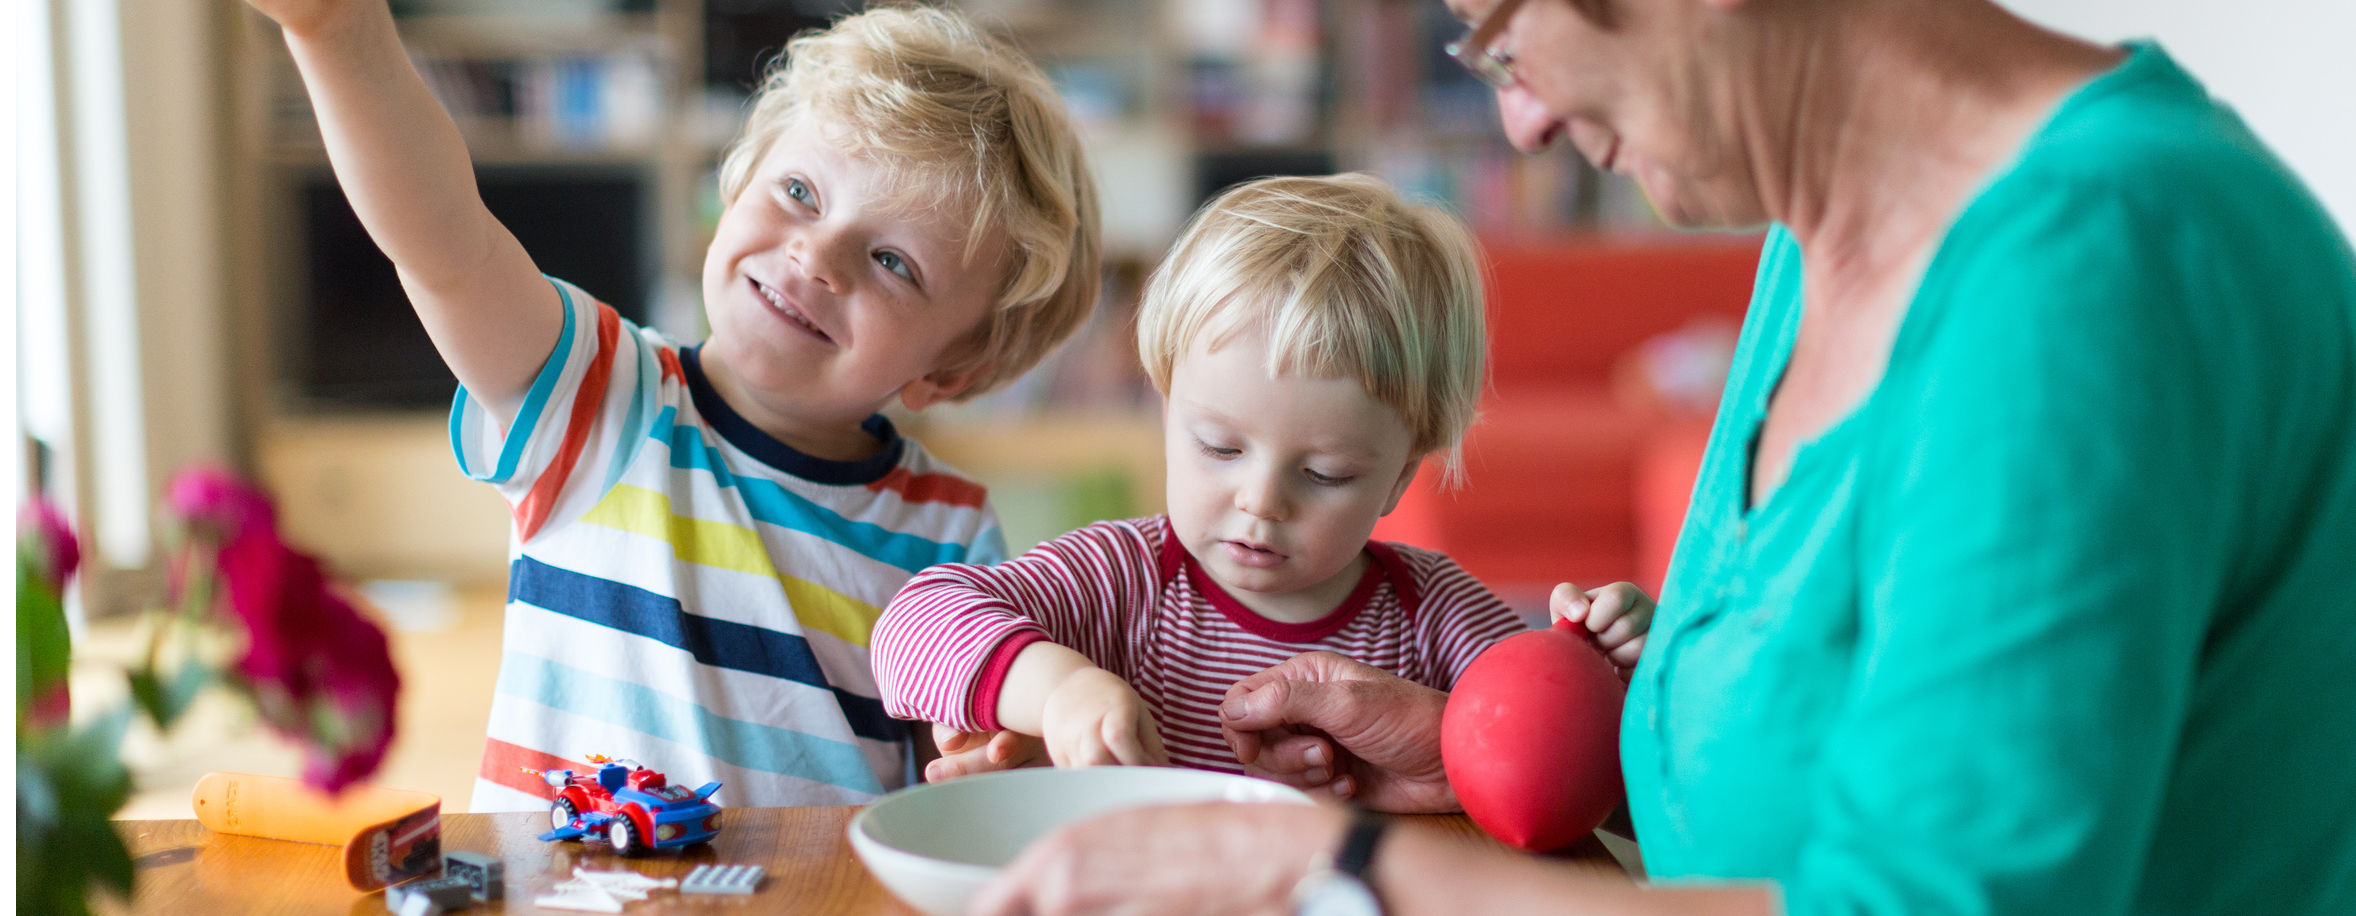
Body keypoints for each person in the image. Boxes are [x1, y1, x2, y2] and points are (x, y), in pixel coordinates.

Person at [969, 0, 2356, 914]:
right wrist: (1473, 751)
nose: (1517, 121)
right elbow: (1823, 779)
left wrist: (1337, 869)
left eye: (1502, 37)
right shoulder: (1810, 251)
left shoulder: (2096, 269)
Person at [242, 0, 1100, 809]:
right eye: (799, 192)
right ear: (731, 188)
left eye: (892, 261)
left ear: (946, 373)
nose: (816, 254)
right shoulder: (599, 392)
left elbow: (949, 775)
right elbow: (445, 246)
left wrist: (984, 766)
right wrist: (336, 29)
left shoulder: (951, 532)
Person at [871, 174, 1652, 779]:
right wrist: (1057, 691)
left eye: (1325, 473)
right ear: (1166, 411)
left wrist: (1592, 672)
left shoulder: (1433, 614)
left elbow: (1551, 760)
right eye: (1219, 447)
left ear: (1397, 480)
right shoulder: (1125, 577)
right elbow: (913, 626)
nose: (1261, 501)